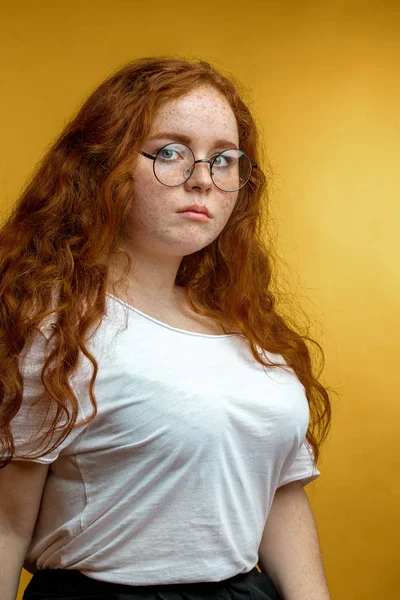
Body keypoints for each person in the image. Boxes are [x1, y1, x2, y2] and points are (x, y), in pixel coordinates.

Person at [0, 57, 332, 600]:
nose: (202, 178)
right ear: (102, 166)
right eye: (171, 153)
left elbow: (278, 495)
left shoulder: (251, 330)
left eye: (223, 160)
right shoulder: (53, 324)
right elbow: (7, 525)